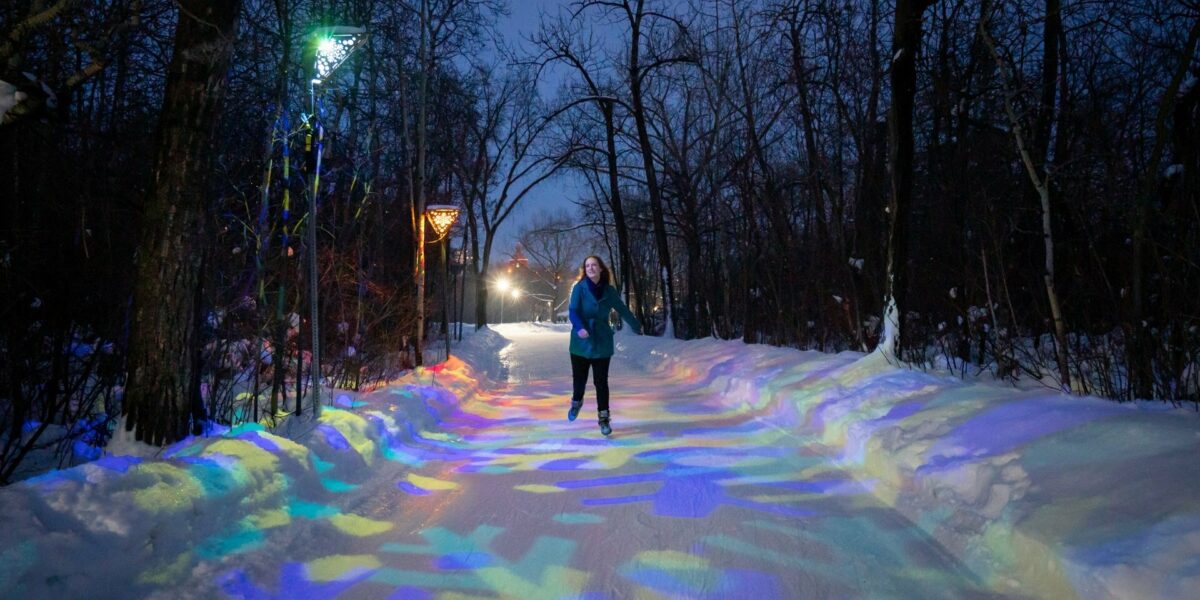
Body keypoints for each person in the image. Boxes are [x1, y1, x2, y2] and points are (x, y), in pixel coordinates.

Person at [567, 255, 642, 435]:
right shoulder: (579, 288)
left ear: (601, 268)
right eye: (587, 266)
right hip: (581, 342)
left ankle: (604, 418)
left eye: (594, 265)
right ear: (584, 270)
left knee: (601, 382)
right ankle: (577, 402)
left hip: (602, 341)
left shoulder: (609, 291)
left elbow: (622, 309)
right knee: (580, 379)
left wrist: (636, 325)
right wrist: (579, 328)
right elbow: (573, 311)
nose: (591, 268)